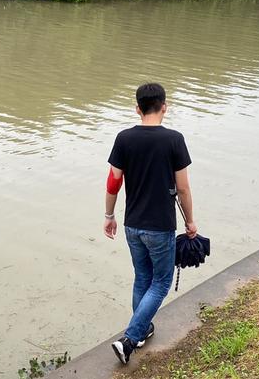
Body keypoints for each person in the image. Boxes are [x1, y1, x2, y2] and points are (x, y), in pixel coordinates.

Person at [104, 82, 197, 365]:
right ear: (164, 107)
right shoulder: (174, 139)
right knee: (161, 281)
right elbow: (182, 188)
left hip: (133, 224)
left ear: (137, 109)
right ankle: (130, 339)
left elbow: (113, 182)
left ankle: (141, 331)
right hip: (160, 226)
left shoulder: (124, 138)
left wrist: (109, 216)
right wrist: (191, 221)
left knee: (142, 278)